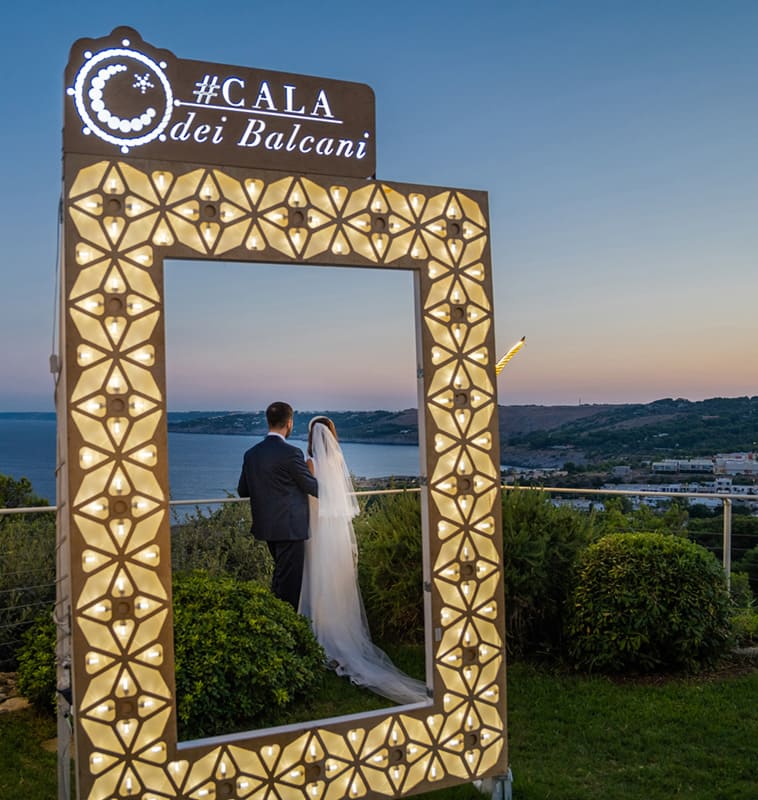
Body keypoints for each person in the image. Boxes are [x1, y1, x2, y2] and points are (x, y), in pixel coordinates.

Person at [300, 416, 427, 705]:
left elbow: (307, 495)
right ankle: (336, 629)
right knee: (335, 581)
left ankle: (321, 636)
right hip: (336, 532)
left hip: (317, 531)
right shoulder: (336, 462)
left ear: (311, 438)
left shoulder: (311, 464)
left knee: (318, 580)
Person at [238, 402, 318, 610]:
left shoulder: (251, 454)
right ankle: (287, 632)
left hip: (267, 526)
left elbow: (243, 491)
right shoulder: (291, 453)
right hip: (291, 527)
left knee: (281, 577)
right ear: (289, 423)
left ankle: (276, 624)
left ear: (268, 421)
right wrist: (318, 475)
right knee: (290, 585)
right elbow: (311, 487)